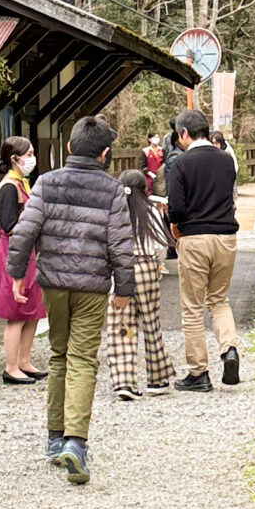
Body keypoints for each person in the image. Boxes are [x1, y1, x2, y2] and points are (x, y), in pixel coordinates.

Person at [4, 116, 135, 484]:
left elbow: (24, 230)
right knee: (82, 358)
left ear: (69, 148)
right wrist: (124, 289)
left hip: (54, 283)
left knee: (59, 354)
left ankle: (54, 437)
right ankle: (75, 443)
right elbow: (121, 245)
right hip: (93, 286)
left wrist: (16, 275)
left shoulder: (46, 182)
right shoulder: (111, 190)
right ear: (105, 153)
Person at [163, 107, 240, 392]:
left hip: (194, 238)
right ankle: (229, 349)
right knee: (219, 300)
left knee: (193, 307)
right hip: (226, 238)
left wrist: (176, 226)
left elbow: (177, 208)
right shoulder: (226, 161)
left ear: (184, 134)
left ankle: (198, 373)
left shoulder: (181, 164)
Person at [101, 171, 177, 401]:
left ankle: (124, 381)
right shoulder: (151, 211)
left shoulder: (111, 212)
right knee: (151, 323)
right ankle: (158, 378)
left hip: (119, 272)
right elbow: (161, 246)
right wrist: (157, 266)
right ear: (145, 189)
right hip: (145, 267)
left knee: (121, 326)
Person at [0, 136, 46, 385]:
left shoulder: (22, 182)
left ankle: (24, 360)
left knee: (32, 310)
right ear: (14, 158)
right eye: (28, 154)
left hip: (28, 249)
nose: (31, 159)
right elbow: (9, 224)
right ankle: (11, 366)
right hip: (12, 250)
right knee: (16, 312)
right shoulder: (8, 186)